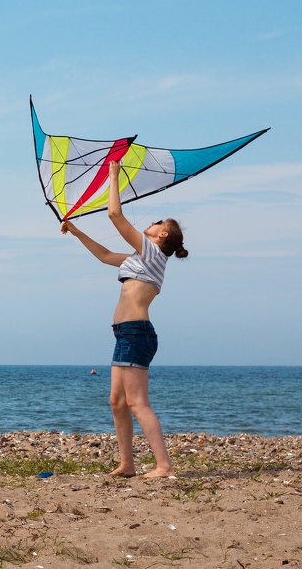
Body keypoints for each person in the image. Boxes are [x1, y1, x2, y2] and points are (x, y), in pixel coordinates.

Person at [60, 161, 187, 478]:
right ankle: (128, 464)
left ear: (163, 234)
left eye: (158, 222)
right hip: (125, 335)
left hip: (137, 334)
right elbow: (104, 255)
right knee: (117, 401)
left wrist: (113, 176)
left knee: (137, 403)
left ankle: (163, 466)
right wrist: (76, 231)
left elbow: (115, 215)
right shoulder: (140, 258)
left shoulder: (154, 254)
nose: (153, 222)